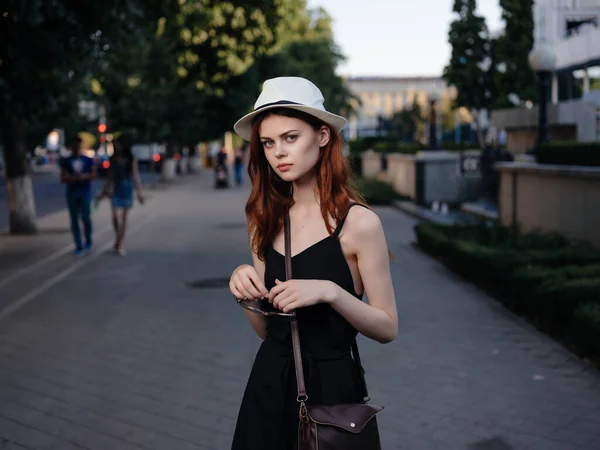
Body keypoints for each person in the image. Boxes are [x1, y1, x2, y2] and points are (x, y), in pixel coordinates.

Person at [228, 77, 398, 450]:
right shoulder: (263, 217)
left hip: (332, 389)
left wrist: (330, 292)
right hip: (269, 382)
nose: (278, 153)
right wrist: (245, 290)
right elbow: (267, 330)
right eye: (269, 143)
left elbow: (387, 327)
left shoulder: (360, 224)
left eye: (291, 137)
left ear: (322, 136)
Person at [98, 138, 144, 256]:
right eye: (113, 145)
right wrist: (103, 192)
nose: (115, 147)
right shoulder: (112, 159)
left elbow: (135, 175)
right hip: (115, 189)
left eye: (117, 145)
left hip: (127, 189)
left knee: (124, 217)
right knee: (114, 217)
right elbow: (109, 177)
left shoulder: (131, 158)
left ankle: (120, 243)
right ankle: (118, 237)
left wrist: (139, 192)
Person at [60, 136, 97, 256]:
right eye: (75, 146)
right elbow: (63, 177)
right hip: (72, 192)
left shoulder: (87, 160)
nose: (77, 148)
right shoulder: (66, 161)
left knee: (86, 217)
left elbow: (94, 174)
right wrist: (72, 178)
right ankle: (78, 245)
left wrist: (84, 177)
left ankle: (88, 241)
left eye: (79, 146)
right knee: (74, 219)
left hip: (85, 191)